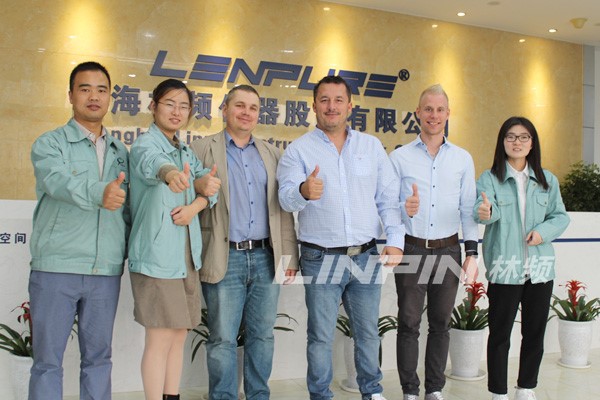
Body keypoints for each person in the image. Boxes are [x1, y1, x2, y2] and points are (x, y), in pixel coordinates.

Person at [277, 75, 404, 400]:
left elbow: (388, 198)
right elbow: (285, 198)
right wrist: (303, 190)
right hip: (320, 257)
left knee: (368, 333)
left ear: (350, 106)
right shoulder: (298, 150)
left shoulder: (371, 147)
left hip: (366, 254)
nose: (331, 106)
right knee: (320, 336)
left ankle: (372, 392)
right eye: (324, 100)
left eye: (338, 100)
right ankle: (320, 395)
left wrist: (395, 239)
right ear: (314, 106)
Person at [29, 61, 129, 400]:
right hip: (57, 267)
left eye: (102, 90)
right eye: (85, 89)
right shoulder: (50, 143)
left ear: (110, 97)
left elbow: (131, 209)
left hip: (105, 270)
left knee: (99, 359)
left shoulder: (120, 151)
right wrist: (99, 192)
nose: (94, 97)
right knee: (47, 362)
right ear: (71, 95)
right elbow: (57, 181)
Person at [191, 84, 298, 400]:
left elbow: (282, 211)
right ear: (224, 109)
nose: (246, 113)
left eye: (253, 108)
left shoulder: (271, 154)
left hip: (265, 257)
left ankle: (258, 395)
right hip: (224, 257)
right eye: (239, 105)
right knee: (222, 339)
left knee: (262, 336)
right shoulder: (201, 149)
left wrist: (288, 258)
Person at [389, 84, 479, 400]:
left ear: (448, 114)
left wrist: (471, 253)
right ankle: (410, 391)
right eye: (428, 109)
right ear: (418, 113)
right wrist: (404, 208)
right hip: (412, 248)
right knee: (409, 322)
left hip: (449, 250)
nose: (434, 115)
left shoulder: (462, 159)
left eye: (440, 109)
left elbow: (468, 209)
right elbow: (387, 206)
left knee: (441, 323)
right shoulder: (399, 157)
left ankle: (434, 389)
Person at [128, 79, 215, 400]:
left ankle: (171, 396)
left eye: (184, 106)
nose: (177, 112)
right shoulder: (145, 145)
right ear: (153, 106)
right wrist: (171, 175)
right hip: (156, 258)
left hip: (185, 258)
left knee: (178, 335)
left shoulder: (185, 151)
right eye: (169, 104)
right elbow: (154, 164)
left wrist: (196, 204)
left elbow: (209, 188)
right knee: (159, 338)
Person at [474, 116, 570, 400]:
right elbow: (483, 210)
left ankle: (526, 387)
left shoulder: (546, 179)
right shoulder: (490, 178)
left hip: (539, 269)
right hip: (505, 268)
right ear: (502, 142)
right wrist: (485, 212)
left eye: (523, 137)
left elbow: (560, 217)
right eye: (511, 136)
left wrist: (542, 233)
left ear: (532, 143)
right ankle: (499, 392)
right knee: (500, 334)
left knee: (534, 333)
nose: (517, 142)